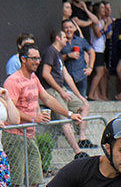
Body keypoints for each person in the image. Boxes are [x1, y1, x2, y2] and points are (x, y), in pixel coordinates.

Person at [4, 44, 85, 187]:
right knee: (17, 179)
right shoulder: (13, 81)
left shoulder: (34, 78)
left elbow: (48, 98)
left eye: (39, 58)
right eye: (34, 58)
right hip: (14, 134)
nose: (38, 62)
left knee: (34, 177)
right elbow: (12, 109)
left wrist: (69, 114)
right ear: (23, 59)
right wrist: (34, 118)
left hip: (30, 134)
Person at [40, 29, 94, 157]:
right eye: (64, 37)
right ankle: (78, 152)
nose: (66, 39)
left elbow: (67, 76)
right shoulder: (50, 52)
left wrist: (80, 96)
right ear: (58, 38)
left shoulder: (58, 54)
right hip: (52, 91)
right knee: (65, 120)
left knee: (84, 105)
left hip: (62, 89)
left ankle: (82, 138)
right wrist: (61, 91)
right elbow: (45, 74)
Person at [62, 19, 95, 99]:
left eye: (70, 27)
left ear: (75, 29)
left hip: (81, 75)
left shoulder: (80, 40)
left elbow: (91, 52)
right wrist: (68, 55)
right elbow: (56, 57)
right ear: (63, 30)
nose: (68, 30)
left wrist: (90, 68)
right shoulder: (61, 41)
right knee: (69, 100)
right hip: (66, 77)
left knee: (82, 99)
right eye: (66, 28)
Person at [88, 2, 109, 101]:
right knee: (99, 72)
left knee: (102, 71)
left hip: (101, 49)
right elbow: (98, 34)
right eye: (101, 7)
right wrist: (107, 25)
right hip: (96, 49)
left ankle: (97, 94)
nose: (104, 9)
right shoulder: (95, 21)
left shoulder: (101, 20)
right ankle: (91, 94)